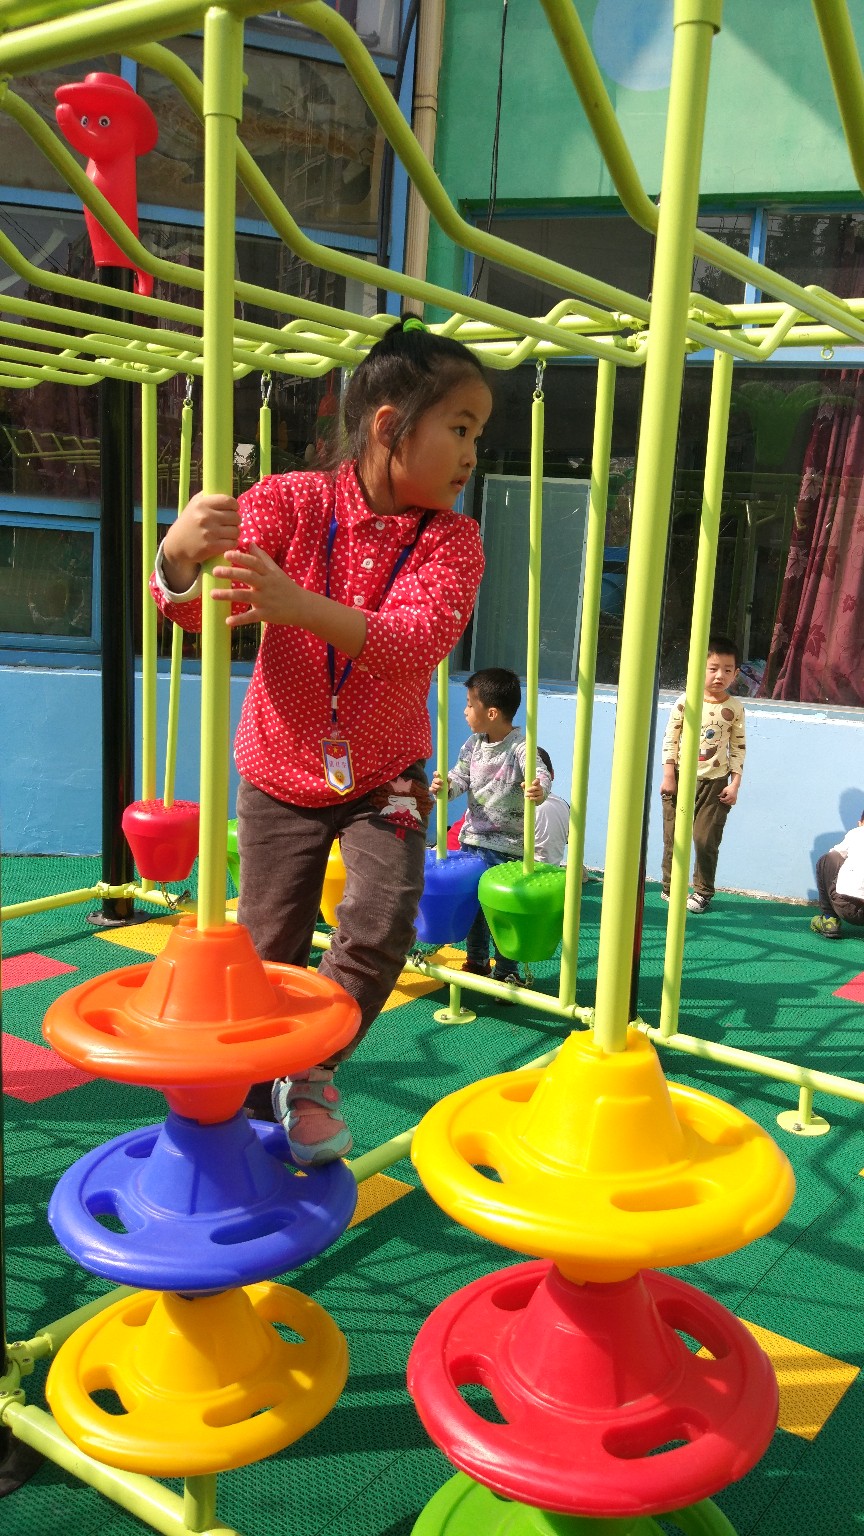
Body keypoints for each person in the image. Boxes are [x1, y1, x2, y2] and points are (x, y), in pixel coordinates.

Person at [151, 316, 491, 1165]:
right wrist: (179, 558)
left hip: (388, 776)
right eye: (459, 429)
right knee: (266, 944)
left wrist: (299, 605)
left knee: (381, 922)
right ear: (389, 426)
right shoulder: (290, 503)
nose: (471, 453)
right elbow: (197, 613)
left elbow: (416, 641)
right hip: (279, 768)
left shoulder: (452, 540)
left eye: (476, 434)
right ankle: (247, 1083)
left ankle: (310, 1071)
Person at [430, 668, 549, 991]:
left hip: (508, 847)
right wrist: (445, 787)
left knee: (501, 909)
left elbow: (538, 772)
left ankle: (507, 969)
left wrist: (539, 789)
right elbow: (459, 778)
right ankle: (477, 960)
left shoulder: (520, 747)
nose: (465, 711)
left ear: (492, 713)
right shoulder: (473, 745)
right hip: (472, 840)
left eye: (470, 705)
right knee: (474, 907)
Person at [659, 635, 746, 914]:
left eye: (727, 670)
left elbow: (738, 748)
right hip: (681, 779)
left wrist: (735, 784)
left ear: (735, 674)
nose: (720, 676)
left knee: (706, 839)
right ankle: (670, 886)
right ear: (700, 669)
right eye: (713, 668)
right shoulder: (687, 701)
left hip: (715, 784)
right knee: (673, 836)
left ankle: (702, 891)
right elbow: (670, 739)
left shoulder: (734, 708)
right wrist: (669, 775)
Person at [811, 812, 864, 937]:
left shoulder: (856, 833)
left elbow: (835, 855)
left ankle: (829, 919)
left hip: (847, 908)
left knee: (827, 860)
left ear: (860, 823)